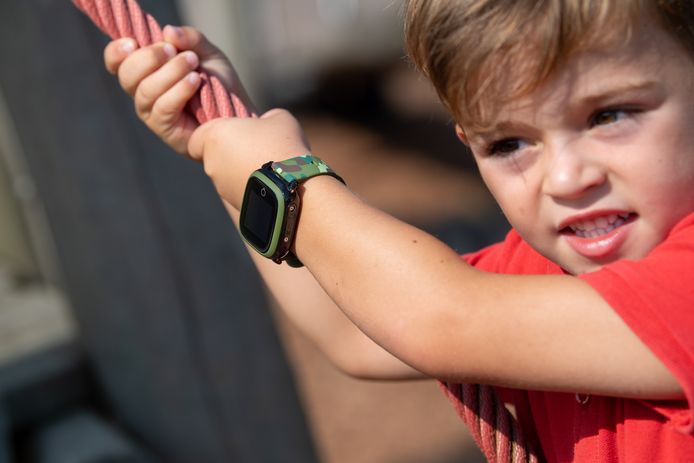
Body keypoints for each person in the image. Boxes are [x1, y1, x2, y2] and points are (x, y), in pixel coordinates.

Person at [102, 0, 694, 460]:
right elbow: (356, 330)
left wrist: (285, 178)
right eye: (509, 143)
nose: (566, 178)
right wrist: (233, 157)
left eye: (609, 115)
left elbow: (435, 320)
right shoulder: (538, 278)